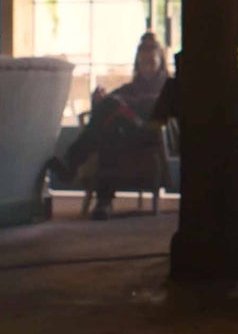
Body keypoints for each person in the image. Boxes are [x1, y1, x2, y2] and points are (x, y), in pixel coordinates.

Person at [47, 32, 171, 220]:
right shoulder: (131, 87)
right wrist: (99, 100)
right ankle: (103, 203)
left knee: (113, 107)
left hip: (150, 135)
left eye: (150, 62)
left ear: (159, 62)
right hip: (124, 134)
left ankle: (71, 163)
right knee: (110, 131)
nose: (146, 67)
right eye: (142, 62)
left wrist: (123, 106)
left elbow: (160, 109)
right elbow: (110, 104)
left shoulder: (166, 86)